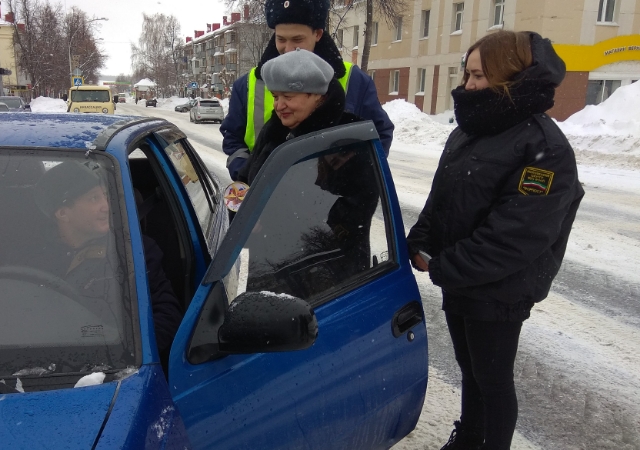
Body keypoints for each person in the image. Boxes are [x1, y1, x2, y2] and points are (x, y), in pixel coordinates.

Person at [406, 31, 584, 450]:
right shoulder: (470, 131)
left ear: (509, 77)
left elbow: (518, 233)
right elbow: (442, 198)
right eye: (467, 75)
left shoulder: (544, 147)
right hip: (461, 276)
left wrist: (447, 265)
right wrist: (421, 238)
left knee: (493, 379)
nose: (468, 85)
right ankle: (470, 438)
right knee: (469, 369)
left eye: (479, 76)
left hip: (501, 286)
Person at [23, 161, 183, 372]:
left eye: (105, 196)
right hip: (34, 370)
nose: (107, 206)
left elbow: (166, 315)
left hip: (108, 371)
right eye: (93, 199)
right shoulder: (30, 258)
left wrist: (120, 359)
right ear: (63, 213)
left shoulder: (133, 250)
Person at [238, 49, 380, 277]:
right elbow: (244, 179)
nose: (278, 106)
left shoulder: (347, 140)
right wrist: (241, 212)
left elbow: (350, 215)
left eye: (288, 97)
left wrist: (270, 220)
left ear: (318, 96)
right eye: (275, 96)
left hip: (323, 270)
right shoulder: (274, 130)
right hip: (268, 264)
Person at [220, 0, 394, 181]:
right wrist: (247, 174)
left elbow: (378, 135)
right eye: (281, 39)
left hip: (327, 196)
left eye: (297, 40)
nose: (288, 49)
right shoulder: (248, 84)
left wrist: (350, 178)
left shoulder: (354, 80)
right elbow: (233, 138)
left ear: (318, 34)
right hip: (264, 195)